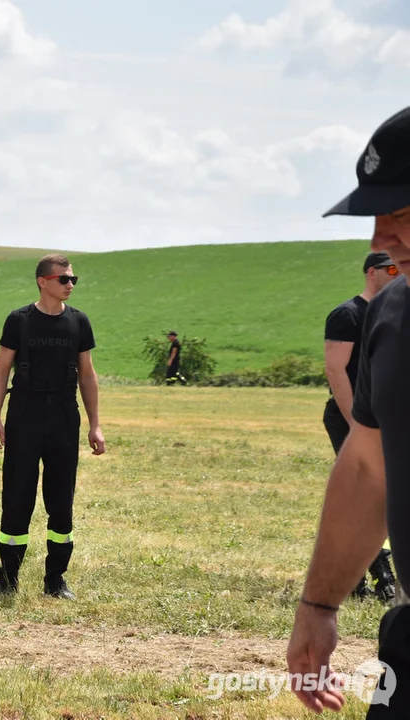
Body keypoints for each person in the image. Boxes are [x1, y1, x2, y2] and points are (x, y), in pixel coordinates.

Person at [287, 106, 410, 717]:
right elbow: (367, 468)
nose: (381, 241)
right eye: (379, 216)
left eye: (404, 214)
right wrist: (318, 607)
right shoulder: (394, 318)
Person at [0, 253, 105, 598]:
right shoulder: (19, 320)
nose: (70, 285)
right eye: (63, 279)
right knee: (17, 497)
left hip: (64, 416)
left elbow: (88, 375)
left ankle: (55, 578)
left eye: (73, 280)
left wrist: (95, 425)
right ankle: (7, 578)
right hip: (24, 413)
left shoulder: (79, 322)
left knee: (61, 499)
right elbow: (1, 372)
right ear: (43, 282)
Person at [323, 251, 398, 602]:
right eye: (392, 268)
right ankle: (378, 575)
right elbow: (336, 370)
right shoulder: (348, 315)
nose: (399, 274)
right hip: (352, 418)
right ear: (373, 273)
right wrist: (356, 422)